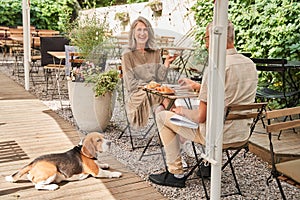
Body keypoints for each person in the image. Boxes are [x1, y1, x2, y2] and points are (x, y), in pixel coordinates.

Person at [149, 21, 258, 188]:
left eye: (206, 39)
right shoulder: (250, 64)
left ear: (214, 38)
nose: (206, 44)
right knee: (207, 112)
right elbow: (230, 95)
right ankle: (206, 166)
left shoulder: (216, 68)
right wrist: (198, 86)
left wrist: (181, 111)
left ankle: (176, 173)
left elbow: (200, 117)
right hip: (241, 134)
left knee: (163, 116)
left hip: (215, 137)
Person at [122, 16, 176, 129]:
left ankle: (168, 132)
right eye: (139, 30)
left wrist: (166, 64)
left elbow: (160, 79)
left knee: (164, 102)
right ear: (133, 33)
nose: (142, 33)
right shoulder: (127, 54)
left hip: (155, 92)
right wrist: (150, 86)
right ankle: (177, 132)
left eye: (145, 29)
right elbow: (130, 84)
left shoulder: (155, 52)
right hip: (137, 94)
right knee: (167, 100)